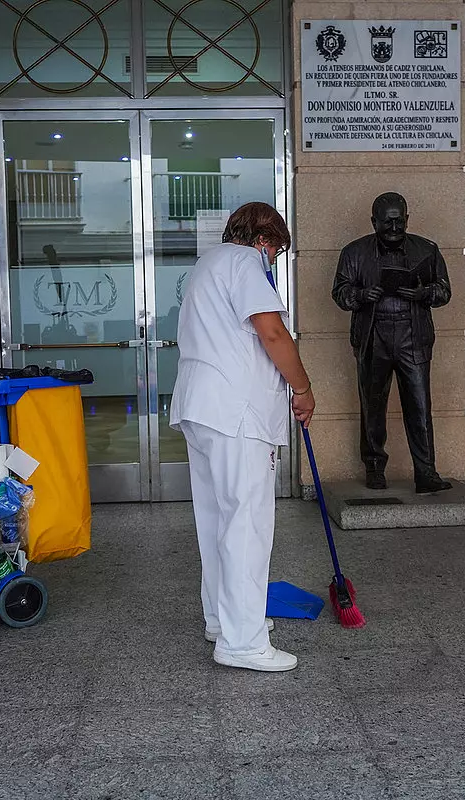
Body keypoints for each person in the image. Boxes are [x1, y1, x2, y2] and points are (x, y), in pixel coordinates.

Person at [169, 202, 315, 673]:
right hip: (235, 413)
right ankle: (244, 642)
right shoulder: (245, 262)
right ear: (263, 240)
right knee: (247, 524)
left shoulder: (207, 264)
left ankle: (224, 620)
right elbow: (272, 333)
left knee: (216, 522)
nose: (273, 258)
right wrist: (304, 388)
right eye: (275, 249)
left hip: (201, 407)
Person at [331, 192, 452, 493]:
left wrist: (425, 294)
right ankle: (374, 467)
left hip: (414, 338)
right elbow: (340, 292)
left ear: (408, 218)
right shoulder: (354, 253)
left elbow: (444, 291)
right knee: (373, 406)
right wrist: (360, 296)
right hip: (374, 337)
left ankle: (426, 473)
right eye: (387, 222)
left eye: (400, 221)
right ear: (374, 222)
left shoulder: (427, 250)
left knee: (420, 407)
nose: (395, 227)